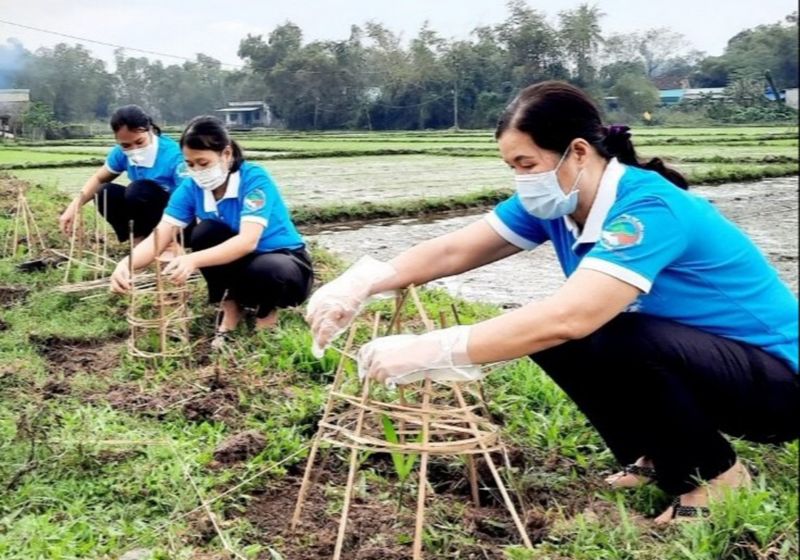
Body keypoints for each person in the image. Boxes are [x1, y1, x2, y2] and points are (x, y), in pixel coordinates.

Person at [305, 81, 799, 523]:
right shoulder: (556, 204)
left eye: (527, 164)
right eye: (512, 167)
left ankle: (719, 478)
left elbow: (574, 315)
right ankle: (657, 455)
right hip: (704, 366)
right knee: (556, 338)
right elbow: (456, 248)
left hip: (777, 384)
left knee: (595, 331)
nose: (521, 179)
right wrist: (364, 282)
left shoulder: (647, 208)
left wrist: (436, 349)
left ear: (578, 151)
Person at [110, 115, 313, 344]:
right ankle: (231, 308)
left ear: (226, 154)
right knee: (205, 232)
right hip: (241, 267)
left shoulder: (254, 179)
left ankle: (267, 315)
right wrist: (127, 264)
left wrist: (192, 260)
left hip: (285, 267)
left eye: (203, 163)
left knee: (268, 267)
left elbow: (248, 242)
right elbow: (161, 234)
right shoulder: (191, 187)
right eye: (190, 164)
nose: (196, 170)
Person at [59, 105, 186, 244]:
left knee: (138, 190)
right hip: (145, 213)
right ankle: (137, 240)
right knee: (104, 192)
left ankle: (167, 242)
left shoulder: (174, 156)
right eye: (126, 145)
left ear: (150, 130)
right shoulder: (121, 153)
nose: (134, 149)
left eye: (139, 142)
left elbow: (188, 199)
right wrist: (73, 208)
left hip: (176, 217)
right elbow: (98, 178)